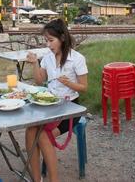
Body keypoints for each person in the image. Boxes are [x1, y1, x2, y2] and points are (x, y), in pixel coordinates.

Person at [25, 18, 88, 182]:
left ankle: (54, 180)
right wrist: (34, 63)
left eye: (51, 40)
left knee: (41, 135)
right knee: (30, 130)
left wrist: (69, 83)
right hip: (50, 106)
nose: (48, 44)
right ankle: (37, 178)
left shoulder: (77, 59)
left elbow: (84, 87)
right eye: (46, 40)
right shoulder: (48, 57)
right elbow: (39, 81)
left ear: (63, 38)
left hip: (70, 109)